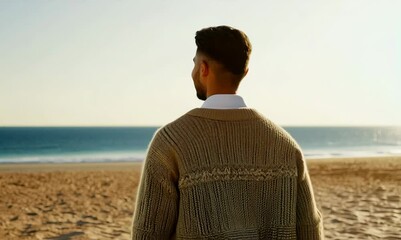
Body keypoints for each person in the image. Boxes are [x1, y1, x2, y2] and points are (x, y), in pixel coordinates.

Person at [131, 25, 323, 239]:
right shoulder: (286, 145)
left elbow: (148, 233)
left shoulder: (171, 142)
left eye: (194, 65)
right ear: (245, 72)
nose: (193, 72)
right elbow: (309, 229)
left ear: (204, 68)